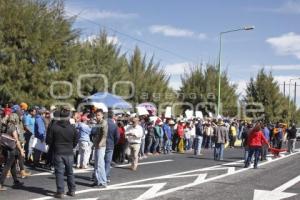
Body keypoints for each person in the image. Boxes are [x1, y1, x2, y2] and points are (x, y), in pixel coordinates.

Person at [46, 107, 79, 198]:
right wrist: (71, 146)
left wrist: (54, 146)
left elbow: (49, 140)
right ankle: (72, 190)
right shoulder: (72, 128)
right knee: (70, 172)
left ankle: (60, 191)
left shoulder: (54, 127)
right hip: (69, 152)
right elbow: (76, 139)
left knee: (59, 172)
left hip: (58, 151)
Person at [0, 124, 25, 191]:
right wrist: (21, 150)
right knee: (7, 166)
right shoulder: (12, 127)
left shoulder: (3, 125)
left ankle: (16, 181)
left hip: (4, 147)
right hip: (12, 149)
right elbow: (16, 140)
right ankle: (0, 184)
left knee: (13, 164)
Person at [91, 109, 108, 188]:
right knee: (96, 164)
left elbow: (104, 135)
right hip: (97, 145)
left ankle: (103, 182)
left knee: (100, 164)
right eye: (96, 115)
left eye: (98, 115)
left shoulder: (104, 122)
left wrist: (100, 144)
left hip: (101, 146)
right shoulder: (98, 123)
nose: (97, 116)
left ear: (102, 115)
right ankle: (97, 181)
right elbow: (96, 134)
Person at [105, 110, 119, 183]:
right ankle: (106, 176)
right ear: (112, 116)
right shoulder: (114, 125)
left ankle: (96, 175)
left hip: (101, 144)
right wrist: (114, 143)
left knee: (99, 161)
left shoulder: (101, 123)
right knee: (107, 162)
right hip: (110, 144)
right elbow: (117, 136)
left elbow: (93, 132)